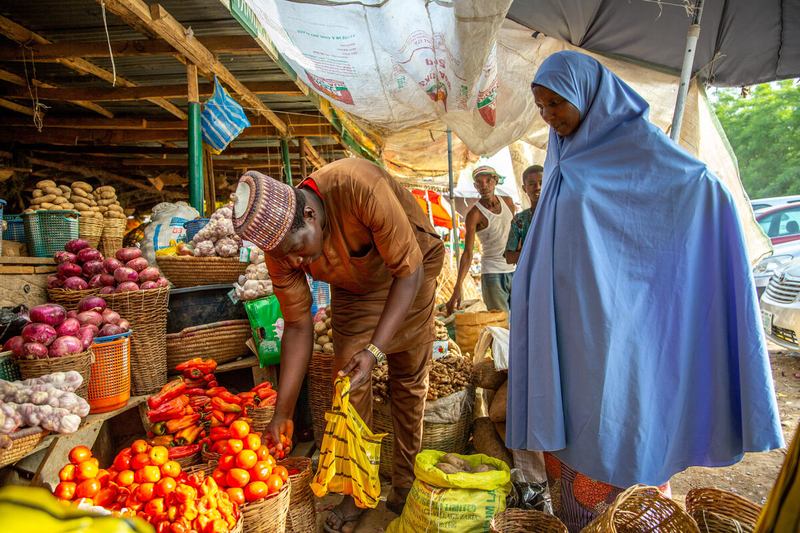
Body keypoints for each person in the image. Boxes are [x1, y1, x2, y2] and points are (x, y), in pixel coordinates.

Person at [507, 51, 784, 532]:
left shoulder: (642, 149)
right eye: (542, 107)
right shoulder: (563, 157)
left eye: (557, 103)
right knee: (574, 443)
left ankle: (633, 519)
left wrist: (705, 203)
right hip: (572, 330)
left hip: (627, 328)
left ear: (589, 98)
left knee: (625, 427)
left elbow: (694, 190)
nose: (549, 116)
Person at [231, 159, 444, 533]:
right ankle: (356, 492)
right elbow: (298, 326)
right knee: (347, 383)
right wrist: (283, 412)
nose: (295, 262)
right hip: (355, 289)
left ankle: (406, 483)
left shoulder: (359, 187)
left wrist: (376, 350)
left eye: (298, 249)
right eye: (286, 257)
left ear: (310, 214)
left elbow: (408, 272)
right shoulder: (281, 248)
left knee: (407, 379)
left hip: (413, 269)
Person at [446, 165, 516, 315]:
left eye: (488, 181)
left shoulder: (508, 203)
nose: (484, 186)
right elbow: (468, 253)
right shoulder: (475, 214)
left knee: (522, 318)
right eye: (479, 182)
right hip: (492, 273)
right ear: (475, 186)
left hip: (515, 269)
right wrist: (457, 288)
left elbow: (516, 236)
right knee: (500, 323)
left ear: (496, 181)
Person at [505, 165, 543, 264]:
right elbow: (510, 258)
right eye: (531, 184)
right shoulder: (520, 220)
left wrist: (524, 252)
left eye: (541, 183)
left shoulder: (558, 215)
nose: (537, 188)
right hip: (532, 275)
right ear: (524, 188)